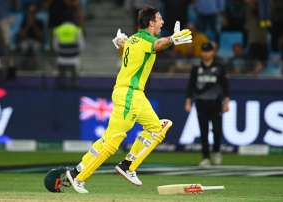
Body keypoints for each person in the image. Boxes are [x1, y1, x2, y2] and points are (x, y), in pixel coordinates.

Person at [64, 6, 192, 193]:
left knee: (158, 128)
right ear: (150, 23)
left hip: (134, 95)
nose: (162, 22)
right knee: (111, 142)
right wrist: (172, 39)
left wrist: (122, 43)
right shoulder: (148, 40)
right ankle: (77, 175)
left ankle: (127, 165)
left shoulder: (133, 38)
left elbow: (131, 45)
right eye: (159, 19)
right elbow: (157, 45)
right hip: (130, 95)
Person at [184, 42, 230, 167]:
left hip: (216, 102)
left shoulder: (219, 67)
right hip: (201, 102)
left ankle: (216, 151)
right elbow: (191, 85)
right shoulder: (196, 67)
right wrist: (188, 100)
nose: (206, 54)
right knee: (203, 131)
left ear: (213, 52)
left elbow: (225, 85)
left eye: (208, 51)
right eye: (204, 51)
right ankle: (205, 157)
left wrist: (226, 101)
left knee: (217, 129)